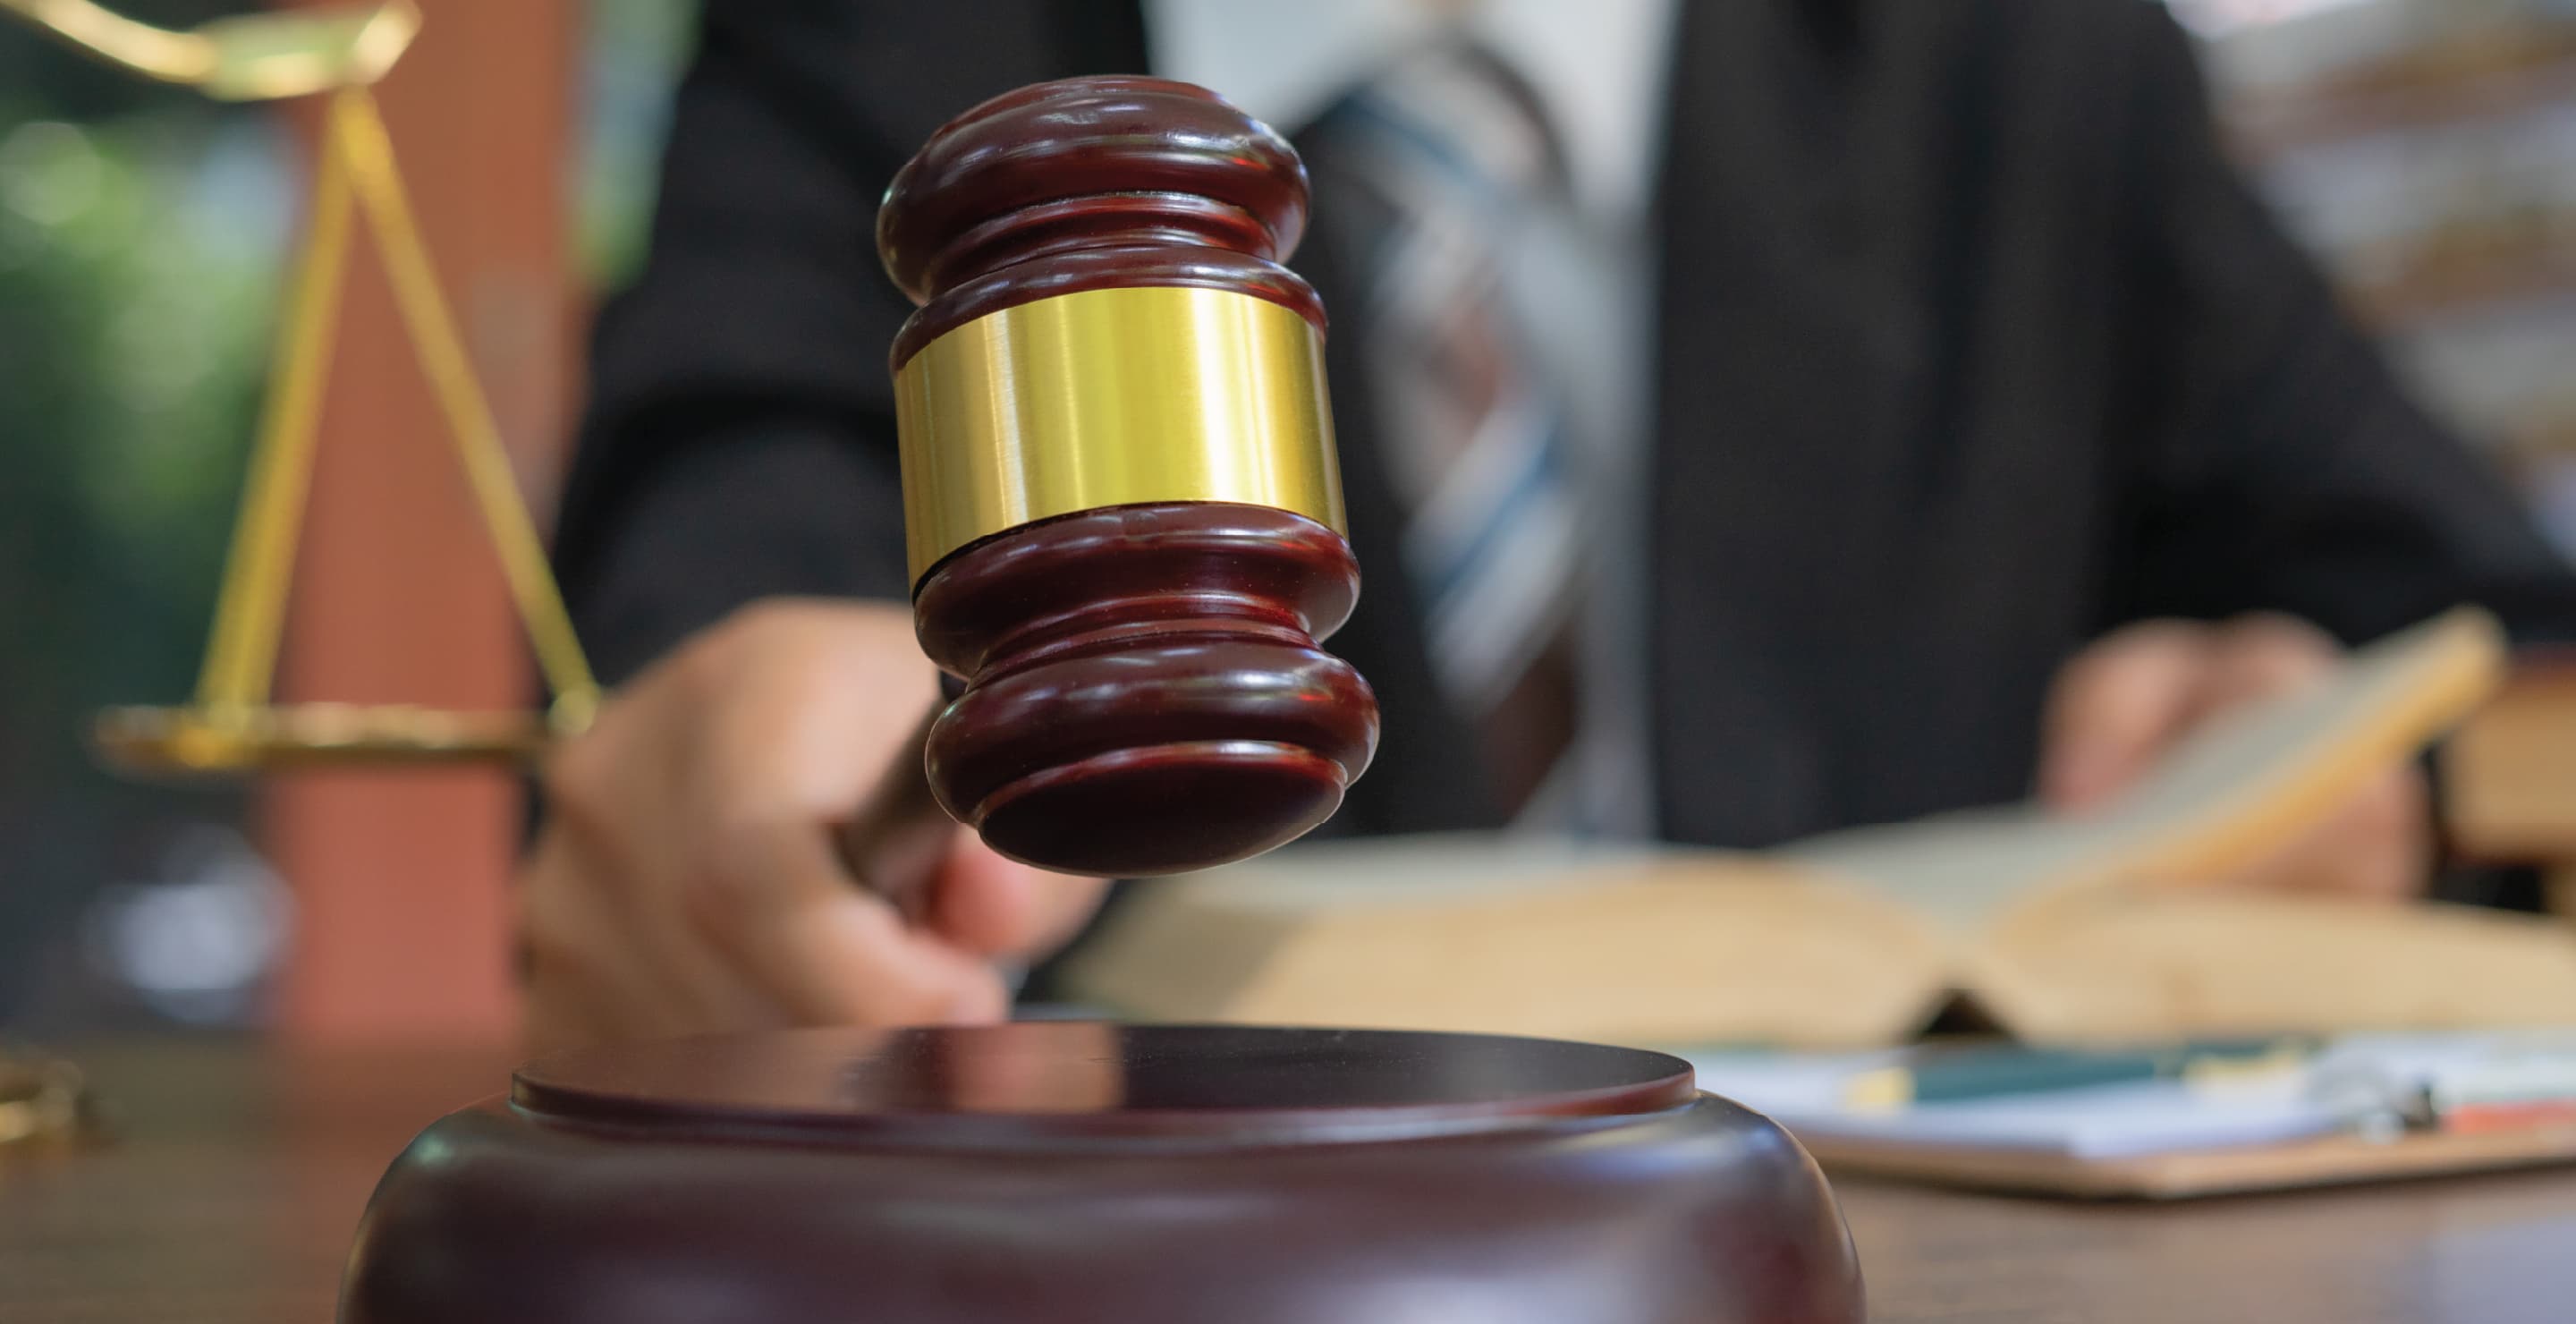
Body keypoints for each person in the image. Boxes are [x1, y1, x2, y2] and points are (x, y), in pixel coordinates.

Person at [521, 0, 2576, 1051]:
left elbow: (2471, 640)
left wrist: (2309, 742)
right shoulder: (866, 41)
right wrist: (736, 774)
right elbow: (719, 573)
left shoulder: (2029, 57)